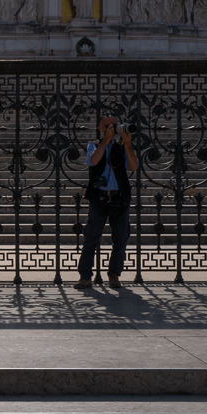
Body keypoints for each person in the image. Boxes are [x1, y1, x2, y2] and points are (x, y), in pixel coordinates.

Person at [74, 115, 138, 290]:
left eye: (114, 126)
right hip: (99, 197)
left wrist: (127, 144)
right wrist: (105, 141)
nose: (112, 128)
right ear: (100, 128)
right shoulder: (94, 145)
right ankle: (85, 276)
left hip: (120, 196)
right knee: (91, 238)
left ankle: (114, 275)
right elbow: (93, 161)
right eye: (108, 126)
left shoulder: (122, 146)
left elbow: (133, 166)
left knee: (121, 239)